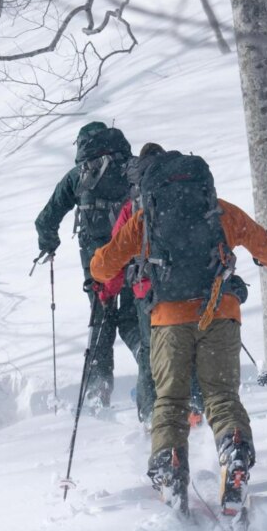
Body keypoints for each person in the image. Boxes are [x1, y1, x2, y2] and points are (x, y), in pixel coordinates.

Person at [90, 149, 267, 516]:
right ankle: (235, 450)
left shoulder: (145, 218)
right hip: (221, 313)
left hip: (168, 319)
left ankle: (169, 463)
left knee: (170, 401)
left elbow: (102, 267)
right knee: (222, 396)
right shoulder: (221, 210)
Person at [34, 122, 141, 410]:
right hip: (135, 257)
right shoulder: (133, 167)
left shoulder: (78, 174)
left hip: (98, 265)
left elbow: (46, 218)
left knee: (102, 322)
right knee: (135, 319)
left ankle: (97, 392)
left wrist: (49, 243)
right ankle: (152, 373)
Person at [99, 143, 206, 429]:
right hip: (193, 286)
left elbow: (116, 254)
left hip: (148, 291)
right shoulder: (190, 193)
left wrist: (106, 291)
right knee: (190, 349)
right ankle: (195, 407)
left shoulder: (134, 205)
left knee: (150, 354)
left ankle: (151, 416)